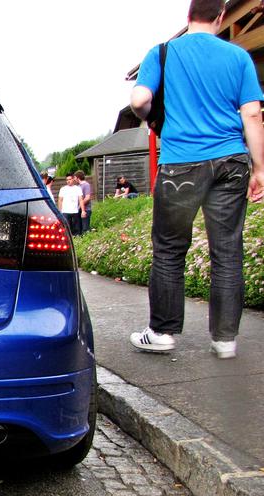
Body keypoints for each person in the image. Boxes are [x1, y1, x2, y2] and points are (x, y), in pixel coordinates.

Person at [129, 0, 264, 359]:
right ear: (220, 16)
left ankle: (162, 333)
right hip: (231, 162)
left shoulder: (162, 53)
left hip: (181, 164)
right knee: (227, 250)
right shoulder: (238, 57)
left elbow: (139, 99)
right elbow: (252, 114)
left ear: (188, 16)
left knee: (170, 249)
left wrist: (151, 115)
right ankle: (224, 340)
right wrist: (260, 169)